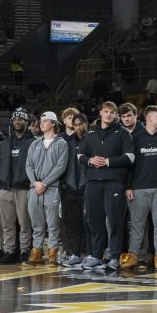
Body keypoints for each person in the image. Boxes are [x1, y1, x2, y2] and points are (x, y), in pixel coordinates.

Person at [78, 101, 135, 271]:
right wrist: (90, 160)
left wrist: (108, 162)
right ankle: (96, 256)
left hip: (114, 182)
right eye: (106, 111)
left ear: (115, 115)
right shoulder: (91, 133)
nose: (109, 114)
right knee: (94, 221)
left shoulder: (123, 133)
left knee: (115, 221)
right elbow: (80, 154)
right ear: (101, 113)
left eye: (112, 112)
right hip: (93, 183)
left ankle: (115, 257)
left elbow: (131, 157)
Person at [124, 105, 157, 271]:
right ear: (150, 118)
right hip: (138, 188)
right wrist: (128, 186)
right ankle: (134, 255)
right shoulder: (135, 138)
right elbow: (130, 165)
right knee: (137, 225)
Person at [24, 111, 69, 265]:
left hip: (52, 188)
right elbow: (28, 165)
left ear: (53, 123)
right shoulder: (34, 143)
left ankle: (53, 253)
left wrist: (45, 183)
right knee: (36, 224)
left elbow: (60, 167)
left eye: (45, 121)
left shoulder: (61, 143)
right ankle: (36, 252)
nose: (41, 124)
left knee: (53, 223)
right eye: (41, 121)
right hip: (34, 188)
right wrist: (35, 182)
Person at [0, 108, 34, 263]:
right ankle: (9, 251)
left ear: (27, 122)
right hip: (5, 188)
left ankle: (25, 251)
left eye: (21, 119)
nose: (17, 121)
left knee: (25, 223)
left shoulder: (32, 142)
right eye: (15, 119)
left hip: (24, 188)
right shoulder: (5, 142)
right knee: (7, 224)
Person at [57, 113, 89, 267]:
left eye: (81, 124)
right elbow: (62, 165)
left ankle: (89, 253)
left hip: (87, 189)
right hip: (69, 190)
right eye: (75, 125)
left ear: (86, 124)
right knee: (72, 224)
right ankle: (75, 253)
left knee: (88, 223)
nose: (78, 127)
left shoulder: (92, 140)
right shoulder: (67, 142)